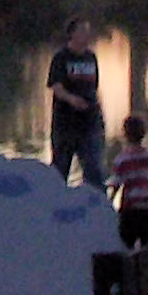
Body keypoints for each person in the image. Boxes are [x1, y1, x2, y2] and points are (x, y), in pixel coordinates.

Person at [46, 19, 107, 188]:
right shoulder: (61, 58)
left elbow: (94, 88)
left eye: (87, 31)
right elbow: (56, 86)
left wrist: (100, 116)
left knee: (94, 170)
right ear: (72, 34)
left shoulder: (91, 57)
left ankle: (98, 208)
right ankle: (54, 206)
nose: (86, 35)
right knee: (60, 170)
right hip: (65, 125)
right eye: (82, 31)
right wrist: (72, 99)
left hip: (89, 124)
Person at [109, 114, 148, 254]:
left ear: (125, 135)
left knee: (125, 245)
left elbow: (116, 183)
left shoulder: (122, 160)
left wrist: (109, 203)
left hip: (130, 209)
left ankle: (129, 271)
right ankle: (146, 270)